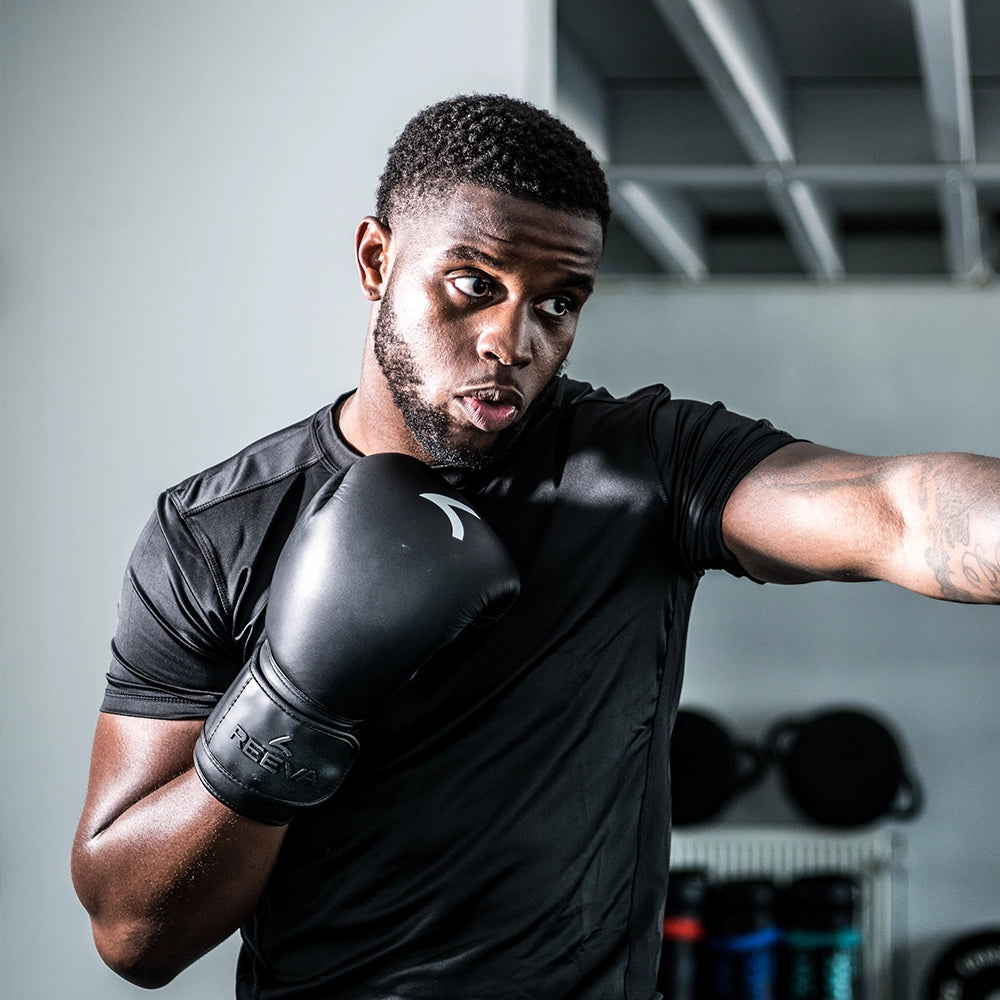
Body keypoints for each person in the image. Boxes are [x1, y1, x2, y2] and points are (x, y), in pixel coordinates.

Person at [71, 93, 1000, 1000]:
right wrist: (291, 702)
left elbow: (901, 509)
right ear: (376, 259)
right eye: (475, 285)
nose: (512, 341)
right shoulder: (214, 530)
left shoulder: (643, 466)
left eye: (559, 304)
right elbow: (133, 935)